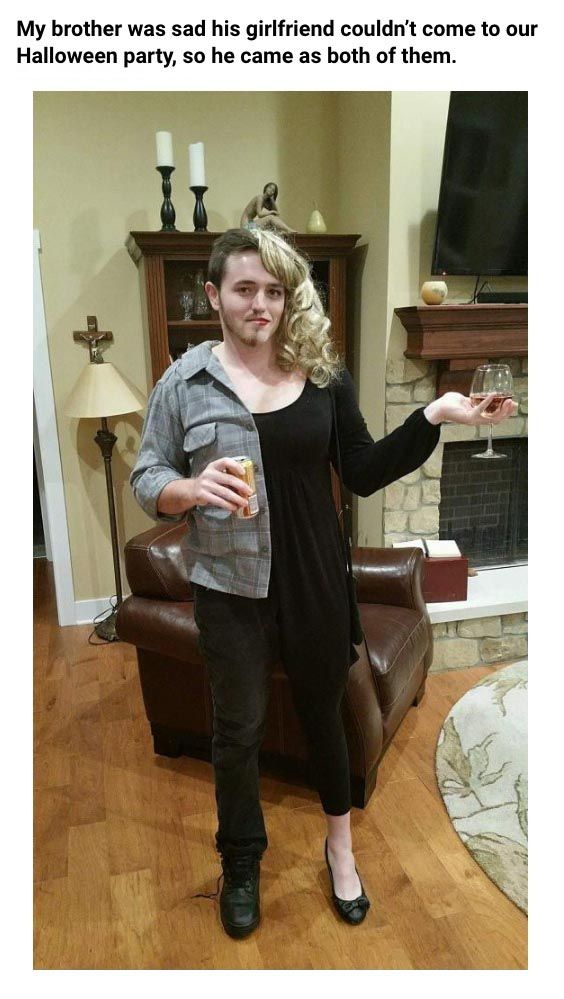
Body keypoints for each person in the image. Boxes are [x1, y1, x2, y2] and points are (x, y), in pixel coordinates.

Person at [130, 228, 517, 939]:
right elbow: (146, 475)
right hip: (229, 590)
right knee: (237, 731)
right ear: (214, 294)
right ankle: (241, 862)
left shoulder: (321, 374)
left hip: (315, 581)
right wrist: (188, 488)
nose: (261, 304)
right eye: (245, 289)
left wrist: (435, 414)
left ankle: (340, 849)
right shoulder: (183, 384)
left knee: (325, 715)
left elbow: (363, 469)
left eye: (274, 291)